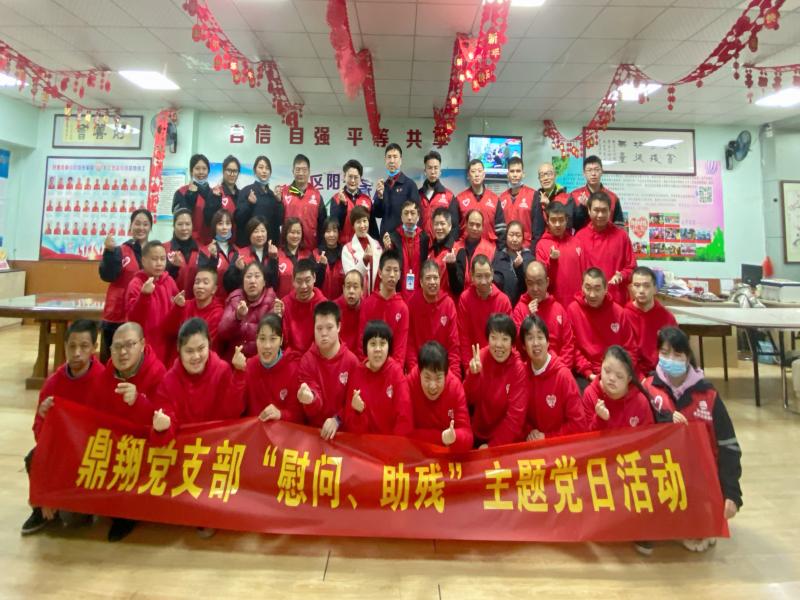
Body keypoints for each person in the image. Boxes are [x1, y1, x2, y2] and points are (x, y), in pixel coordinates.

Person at [643, 326, 742, 553]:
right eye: (665, 353)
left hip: (699, 477)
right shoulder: (648, 388)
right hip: (661, 473)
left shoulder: (708, 395)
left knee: (702, 531)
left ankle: (699, 519)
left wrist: (732, 493)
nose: (670, 359)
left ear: (688, 356)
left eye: (677, 354)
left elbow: (728, 446)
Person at [22, 320, 105, 536]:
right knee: (33, 457)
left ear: (94, 348)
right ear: (65, 346)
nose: (77, 353)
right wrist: (43, 416)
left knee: (76, 519)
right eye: (72, 346)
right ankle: (41, 509)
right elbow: (39, 433)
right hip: (61, 452)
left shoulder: (104, 382)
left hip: (89, 455)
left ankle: (79, 504)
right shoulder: (53, 383)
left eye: (84, 346)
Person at [89, 322, 166, 542]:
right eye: (117, 347)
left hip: (145, 449)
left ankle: (126, 515)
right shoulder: (105, 376)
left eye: (130, 345)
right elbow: (93, 418)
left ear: (142, 344)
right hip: (115, 446)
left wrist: (139, 402)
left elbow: (163, 421)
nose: (123, 352)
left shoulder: (158, 373)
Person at [152, 318, 247, 441]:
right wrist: (162, 429)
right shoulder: (168, 382)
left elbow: (232, 414)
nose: (196, 356)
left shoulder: (222, 371)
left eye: (201, 348)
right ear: (179, 349)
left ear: (209, 345)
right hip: (184, 450)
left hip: (216, 446)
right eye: (189, 351)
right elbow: (161, 437)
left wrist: (239, 374)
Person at [297, 301, 360, 440]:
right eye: (319, 328)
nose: (324, 333)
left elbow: (353, 404)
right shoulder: (307, 361)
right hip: (314, 435)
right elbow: (313, 408)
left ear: (339, 327)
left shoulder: (352, 362)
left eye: (329, 327)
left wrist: (337, 420)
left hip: (344, 436)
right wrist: (310, 399)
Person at [567, 268, 637, 387]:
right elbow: (573, 348)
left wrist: (619, 373)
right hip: (586, 374)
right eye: (588, 288)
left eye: (597, 289)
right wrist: (589, 373)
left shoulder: (619, 312)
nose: (592, 294)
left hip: (616, 372)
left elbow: (630, 350)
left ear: (606, 289)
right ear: (582, 287)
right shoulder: (573, 310)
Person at [98, 208, 153, 360]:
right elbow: (107, 275)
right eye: (137, 223)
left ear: (150, 228)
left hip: (142, 314)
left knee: (137, 359)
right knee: (113, 359)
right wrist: (109, 253)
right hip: (117, 314)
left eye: (145, 224)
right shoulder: (119, 251)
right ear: (130, 226)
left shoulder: (154, 253)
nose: (141, 228)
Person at [465, 314, 527, 448]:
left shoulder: (518, 369)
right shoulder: (481, 357)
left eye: (505, 339)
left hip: (505, 441)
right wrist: (472, 376)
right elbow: (468, 399)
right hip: (478, 433)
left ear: (512, 343)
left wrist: (492, 447)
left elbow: (515, 418)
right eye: (494, 338)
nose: (499, 345)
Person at [520, 315, 585, 440]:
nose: (536, 343)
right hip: (533, 444)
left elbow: (579, 424)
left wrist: (547, 437)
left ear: (548, 342)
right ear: (523, 346)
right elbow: (519, 416)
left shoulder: (563, 376)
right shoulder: (522, 374)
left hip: (561, 446)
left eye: (540, 337)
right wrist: (530, 431)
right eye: (530, 338)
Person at [343, 320, 413, 435]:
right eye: (373, 344)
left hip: (391, 443)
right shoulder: (357, 374)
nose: (378, 349)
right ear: (365, 347)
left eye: (382, 343)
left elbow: (405, 421)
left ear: (389, 347)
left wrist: (392, 445)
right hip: (364, 443)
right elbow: (351, 428)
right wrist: (357, 413)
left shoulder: (396, 374)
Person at [407, 341, 473, 452]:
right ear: (419, 372)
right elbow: (405, 433)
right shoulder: (409, 384)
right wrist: (441, 438)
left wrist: (455, 437)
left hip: (447, 455)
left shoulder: (455, 388)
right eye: (427, 378)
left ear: (446, 375)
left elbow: (468, 437)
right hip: (416, 454)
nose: (432, 386)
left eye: (438, 378)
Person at [575, 191, 637, 306]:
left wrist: (622, 275)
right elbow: (575, 273)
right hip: (588, 300)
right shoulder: (579, 237)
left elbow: (632, 268)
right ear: (589, 210)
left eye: (604, 210)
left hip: (615, 301)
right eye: (596, 210)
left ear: (610, 211)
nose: (600, 215)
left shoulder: (622, 236)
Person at [511, 261, 575, 370]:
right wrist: (529, 320)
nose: (535, 288)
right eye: (530, 283)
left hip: (558, 370)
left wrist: (559, 370)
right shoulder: (519, 309)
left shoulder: (559, 309)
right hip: (530, 372)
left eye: (539, 282)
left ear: (547, 282)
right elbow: (516, 346)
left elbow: (568, 346)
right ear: (526, 283)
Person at [125, 241, 180, 364]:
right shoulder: (136, 284)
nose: (159, 263)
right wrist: (144, 296)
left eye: (162, 259)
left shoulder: (169, 281)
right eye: (154, 259)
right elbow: (133, 320)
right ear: (144, 261)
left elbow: (175, 315)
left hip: (167, 345)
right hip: (146, 346)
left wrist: (180, 306)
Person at [244, 314, 304, 424]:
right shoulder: (249, 366)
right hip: (254, 432)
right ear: (256, 339)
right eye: (262, 339)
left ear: (281, 340)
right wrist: (238, 375)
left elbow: (300, 417)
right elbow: (233, 411)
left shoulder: (293, 369)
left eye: (273, 339)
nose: (267, 346)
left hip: (283, 433)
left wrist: (281, 414)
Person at [457, 254, 512, 373]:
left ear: (492, 274)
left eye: (487, 275)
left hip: (499, 364)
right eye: (479, 276)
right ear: (471, 276)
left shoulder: (503, 301)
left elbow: (508, 339)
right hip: (473, 363)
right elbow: (464, 337)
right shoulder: (465, 299)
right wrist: (468, 368)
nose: (483, 281)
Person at [405, 260, 460, 378]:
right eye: (428, 278)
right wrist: (415, 373)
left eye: (435, 278)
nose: (432, 282)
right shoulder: (412, 304)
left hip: (443, 371)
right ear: (421, 282)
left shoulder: (448, 304)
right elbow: (409, 344)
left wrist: (454, 376)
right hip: (419, 370)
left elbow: (454, 344)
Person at [582, 345, 655, 433]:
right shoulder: (590, 394)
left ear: (628, 379)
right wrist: (599, 419)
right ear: (601, 366)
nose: (612, 378)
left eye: (619, 376)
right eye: (607, 371)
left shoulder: (640, 401)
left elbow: (649, 434)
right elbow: (586, 437)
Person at [217, 262, 279, 360]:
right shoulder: (235, 298)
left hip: (260, 361)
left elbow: (272, 340)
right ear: (243, 281)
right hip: (233, 358)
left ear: (264, 282)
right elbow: (222, 333)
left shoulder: (272, 301)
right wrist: (237, 316)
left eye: (257, 276)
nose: (252, 281)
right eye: (248, 276)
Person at [358, 249, 409, 362]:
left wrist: (392, 370)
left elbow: (400, 351)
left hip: (392, 369)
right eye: (388, 270)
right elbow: (362, 343)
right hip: (369, 366)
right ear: (380, 273)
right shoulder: (368, 304)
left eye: (396, 270)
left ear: (400, 275)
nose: (392, 275)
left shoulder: (403, 309)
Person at [625, 266, 677, 375]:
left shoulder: (667, 318)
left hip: (663, 372)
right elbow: (624, 355)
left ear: (655, 289)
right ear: (631, 288)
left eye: (646, 286)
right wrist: (640, 378)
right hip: (632, 374)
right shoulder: (624, 316)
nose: (641, 291)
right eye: (637, 285)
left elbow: (675, 351)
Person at [535, 202, 583, 309]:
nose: (557, 224)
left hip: (577, 303)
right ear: (547, 221)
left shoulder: (576, 242)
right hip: (553, 306)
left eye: (561, 220)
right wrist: (552, 260)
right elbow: (541, 279)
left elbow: (584, 273)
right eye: (553, 220)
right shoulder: (541, 245)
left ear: (567, 220)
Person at [370, 143, 420, 239]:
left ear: (401, 160)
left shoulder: (410, 185)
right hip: (385, 238)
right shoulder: (382, 185)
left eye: (395, 157)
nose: (392, 161)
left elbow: (416, 214)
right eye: (389, 157)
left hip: (404, 239)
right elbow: (377, 214)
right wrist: (380, 197)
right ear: (385, 160)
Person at [167, 266, 224, 350]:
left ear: (214, 289)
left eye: (205, 283)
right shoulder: (184, 305)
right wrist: (177, 308)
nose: (200, 286)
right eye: (197, 282)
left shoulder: (217, 313)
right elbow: (169, 331)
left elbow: (208, 345)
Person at [384, 200, 429, 302]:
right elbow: (387, 266)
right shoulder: (393, 238)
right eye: (406, 213)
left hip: (420, 294)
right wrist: (387, 250)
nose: (409, 217)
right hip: (398, 293)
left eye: (412, 213)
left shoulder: (424, 238)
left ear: (418, 217)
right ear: (401, 217)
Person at [172, 153, 222, 244]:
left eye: (204, 169)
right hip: (186, 243)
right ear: (191, 171)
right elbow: (178, 219)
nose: (201, 172)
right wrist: (191, 195)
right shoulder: (181, 192)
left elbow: (216, 221)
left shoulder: (214, 193)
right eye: (197, 168)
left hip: (209, 244)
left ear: (208, 171)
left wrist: (215, 200)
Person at [278, 153, 324, 250]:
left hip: (311, 248)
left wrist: (320, 247)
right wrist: (277, 201)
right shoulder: (284, 193)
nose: (301, 173)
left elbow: (322, 224)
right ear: (293, 171)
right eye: (298, 170)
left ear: (309, 171)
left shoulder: (316, 195)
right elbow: (277, 220)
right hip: (288, 249)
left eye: (304, 170)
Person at [234, 155, 283, 247]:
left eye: (267, 168)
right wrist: (248, 204)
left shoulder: (273, 195)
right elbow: (238, 220)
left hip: (268, 246)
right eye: (261, 167)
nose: (264, 171)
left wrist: (279, 202)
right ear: (254, 171)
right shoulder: (246, 191)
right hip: (248, 246)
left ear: (270, 172)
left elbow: (279, 222)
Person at [281, 258, 327, 353]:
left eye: (307, 280)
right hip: (290, 356)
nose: (303, 286)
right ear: (293, 281)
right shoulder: (285, 304)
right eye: (299, 281)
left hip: (315, 356)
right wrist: (278, 317)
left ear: (314, 278)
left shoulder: (324, 305)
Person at [457, 159, 505, 247]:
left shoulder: (495, 199)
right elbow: (454, 228)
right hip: (465, 249)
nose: (476, 174)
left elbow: (501, 229)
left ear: (484, 174)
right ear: (468, 175)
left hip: (490, 249)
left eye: (479, 171)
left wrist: (500, 250)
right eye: (473, 171)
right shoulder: (459, 199)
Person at [568, 155, 624, 231]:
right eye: (589, 170)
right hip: (582, 238)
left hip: (607, 237)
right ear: (584, 173)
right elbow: (571, 225)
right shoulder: (574, 195)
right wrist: (583, 208)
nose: (593, 173)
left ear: (602, 171)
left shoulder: (613, 198)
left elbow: (619, 227)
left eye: (597, 170)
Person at [449, 209, 497, 296]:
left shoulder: (491, 250)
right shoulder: (455, 248)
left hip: (480, 297)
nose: (474, 228)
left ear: (483, 227)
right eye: (471, 224)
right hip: (457, 297)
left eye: (478, 225)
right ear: (466, 224)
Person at [224, 217, 278, 293]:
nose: (260, 235)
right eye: (256, 231)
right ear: (249, 234)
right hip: (244, 298)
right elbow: (228, 285)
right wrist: (238, 270)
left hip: (267, 298)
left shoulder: (273, 253)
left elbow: (274, 284)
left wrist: (273, 260)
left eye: (263, 231)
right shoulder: (240, 254)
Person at [341, 206, 382, 296]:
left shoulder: (377, 245)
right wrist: (364, 260)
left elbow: (381, 272)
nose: (362, 225)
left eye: (364, 221)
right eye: (358, 222)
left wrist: (387, 249)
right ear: (353, 226)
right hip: (358, 298)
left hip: (376, 297)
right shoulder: (347, 249)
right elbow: (350, 279)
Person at [198, 208, 238, 300]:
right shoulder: (205, 251)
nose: (224, 227)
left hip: (233, 302)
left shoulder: (237, 252)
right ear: (214, 226)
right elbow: (203, 279)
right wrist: (213, 258)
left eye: (228, 223)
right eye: (220, 223)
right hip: (212, 302)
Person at [418, 150, 459, 240]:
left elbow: (455, 226)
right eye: (429, 168)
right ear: (425, 171)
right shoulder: (417, 195)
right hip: (421, 244)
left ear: (440, 171)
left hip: (440, 244)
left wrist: (447, 245)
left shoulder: (449, 196)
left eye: (436, 168)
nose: (433, 172)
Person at [492, 220, 534, 306]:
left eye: (518, 235)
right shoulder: (498, 257)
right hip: (503, 304)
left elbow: (529, 286)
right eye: (511, 235)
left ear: (523, 238)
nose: (514, 239)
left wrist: (519, 268)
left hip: (524, 305)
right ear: (506, 236)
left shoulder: (529, 258)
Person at [498, 157, 537, 246]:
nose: (515, 175)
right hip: (507, 247)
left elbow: (537, 229)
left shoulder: (533, 195)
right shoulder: (501, 198)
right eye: (512, 171)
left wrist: (532, 249)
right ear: (508, 174)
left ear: (523, 174)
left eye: (518, 171)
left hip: (526, 246)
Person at [330, 159, 371, 244]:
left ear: (360, 179)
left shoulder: (367, 200)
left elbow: (372, 227)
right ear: (344, 177)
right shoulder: (336, 198)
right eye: (350, 176)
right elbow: (335, 225)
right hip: (342, 246)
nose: (352, 180)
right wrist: (342, 205)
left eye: (356, 177)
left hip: (362, 246)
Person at [271, 217, 313, 298]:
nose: (295, 236)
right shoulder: (276, 255)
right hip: (282, 302)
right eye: (292, 232)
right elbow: (272, 283)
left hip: (304, 301)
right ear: (285, 233)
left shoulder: (308, 255)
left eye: (298, 232)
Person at [164, 208, 201, 299]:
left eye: (187, 224)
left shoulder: (202, 251)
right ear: (174, 225)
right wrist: (172, 267)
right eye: (180, 224)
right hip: (170, 303)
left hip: (195, 304)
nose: (184, 228)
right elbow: (159, 279)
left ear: (192, 226)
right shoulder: (164, 249)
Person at [532, 161, 570, 241]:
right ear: (539, 179)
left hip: (561, 242)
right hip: (541, 243)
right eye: (542, 175)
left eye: (549, 174)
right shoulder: (535, 197)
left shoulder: (567, 197)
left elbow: (569, 224)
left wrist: (548, 206)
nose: (545, 178)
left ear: (555, 175)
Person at [428, 207, 459, 297]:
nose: (439, 227)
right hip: (430, 300)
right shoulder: (429, 250)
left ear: (450, 226)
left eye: (442, 224)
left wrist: (452, 266)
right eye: (436, 224)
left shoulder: (458, 250)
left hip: (449, 302)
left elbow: (458, 288)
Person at [315, 217, 345, 300]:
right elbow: (314, 283)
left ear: (339, 233)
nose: (331, 235)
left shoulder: (345, 253)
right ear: (323, 233)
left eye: (334, 231)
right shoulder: (315, 253)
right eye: (328, 231)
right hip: (320, 302)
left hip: (341, 303)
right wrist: (322, 266)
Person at [335, 270, 363, 352]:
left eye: (355, 287)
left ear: (362, 290)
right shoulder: (334, 308)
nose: (351, 291)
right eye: (348, 287)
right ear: (343, 289)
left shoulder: (367, 308)